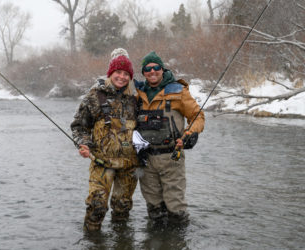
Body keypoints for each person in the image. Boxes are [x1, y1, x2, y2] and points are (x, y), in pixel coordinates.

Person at [71, 48, 139, 232]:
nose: (122, 77)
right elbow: (78, 126)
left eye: (126, 74)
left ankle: (122, 243)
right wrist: (84, 144)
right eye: (118, 72)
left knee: (122, 208)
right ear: (111, 73)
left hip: (129, 165)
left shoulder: (135, 99)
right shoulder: (95, 96)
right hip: (101, 163)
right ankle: (93, 241)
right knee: (97, 207)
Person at [135, 51, 205, 225]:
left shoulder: (179, 91)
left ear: (162, 68)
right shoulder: (138, 94)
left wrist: (190, 134)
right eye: (148, 69)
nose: (152, 71)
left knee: (176, 209)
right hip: (146, 160)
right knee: (154, 209)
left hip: (172, 157)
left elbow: (198, 116)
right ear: (143, 72)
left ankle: (177, 240)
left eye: (156, 67)